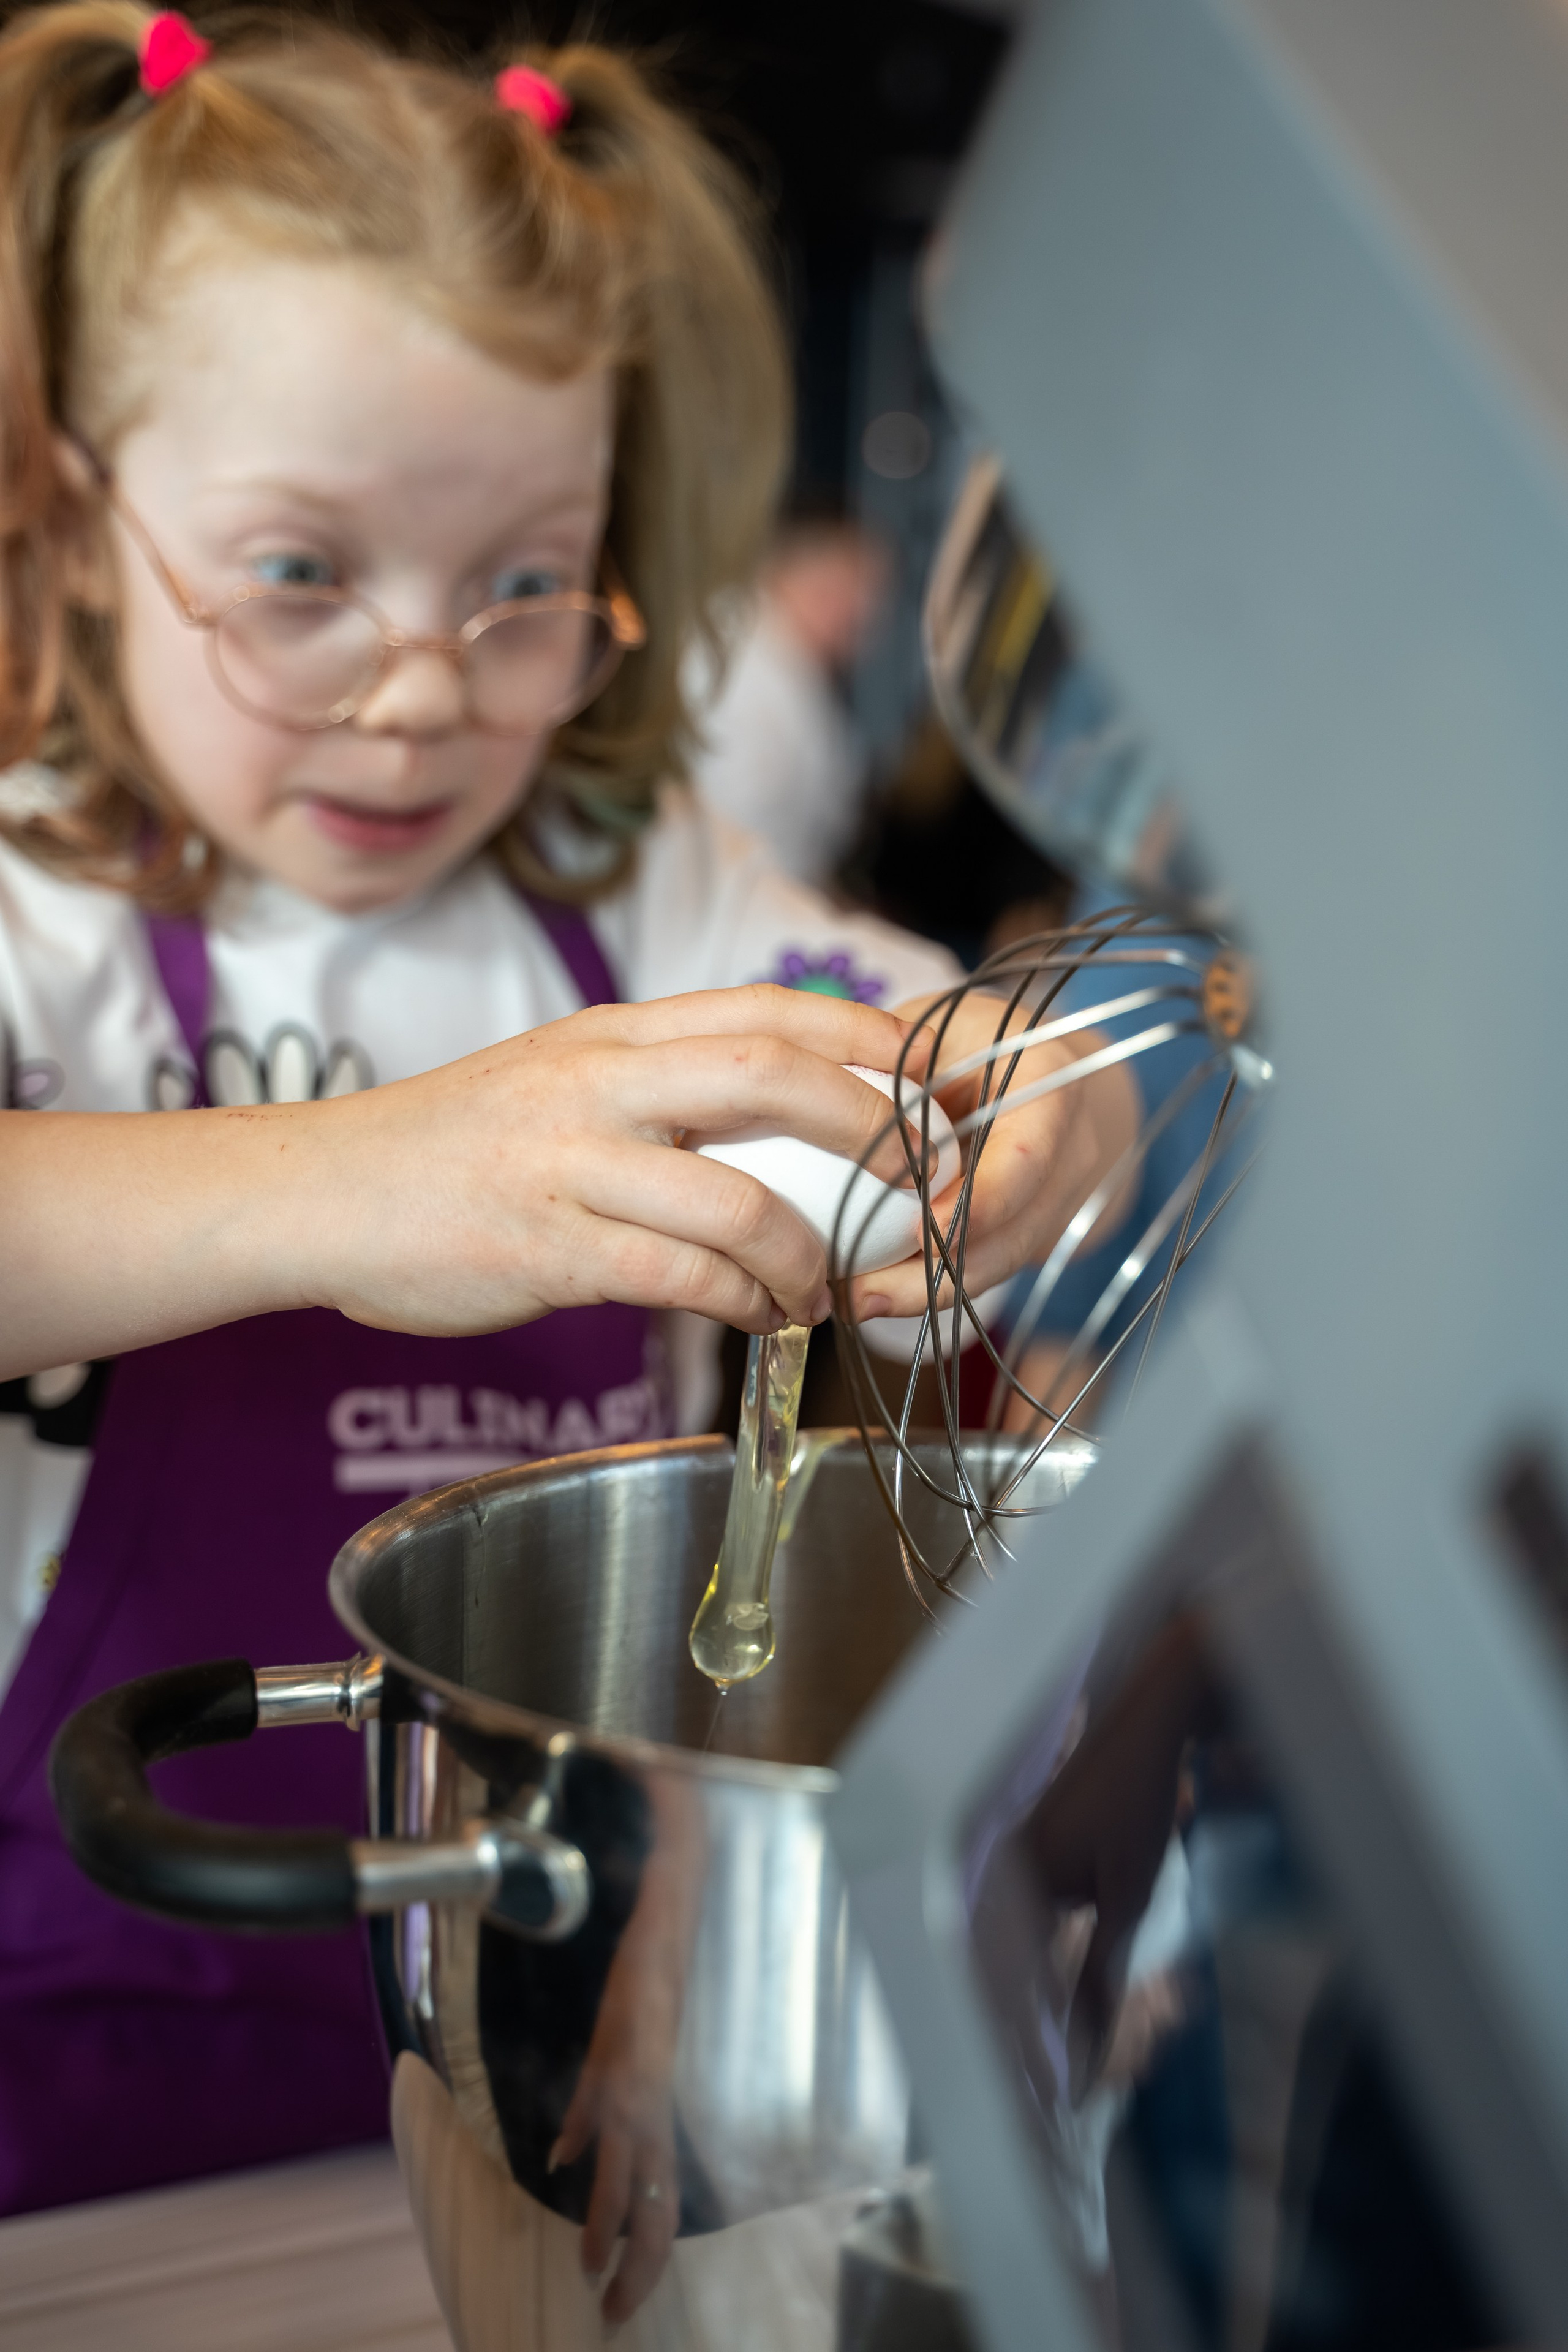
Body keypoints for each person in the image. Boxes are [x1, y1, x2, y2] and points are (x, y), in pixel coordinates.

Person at [0, 1, 1140, 2244]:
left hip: (541, 2068)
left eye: (525, 584)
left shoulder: (646, 890)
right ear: (64, 526)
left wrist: (1042, 1107)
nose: (426, 688)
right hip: (67, 2114)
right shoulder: (45, 913)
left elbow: (936, 1049)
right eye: (302, 578)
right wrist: (366, 1175)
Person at [685, 516, 888, 888]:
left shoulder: (786, 659)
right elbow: (740, 829)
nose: (868, 613)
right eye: (860, 589)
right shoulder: (744, 671)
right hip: (745, 900)